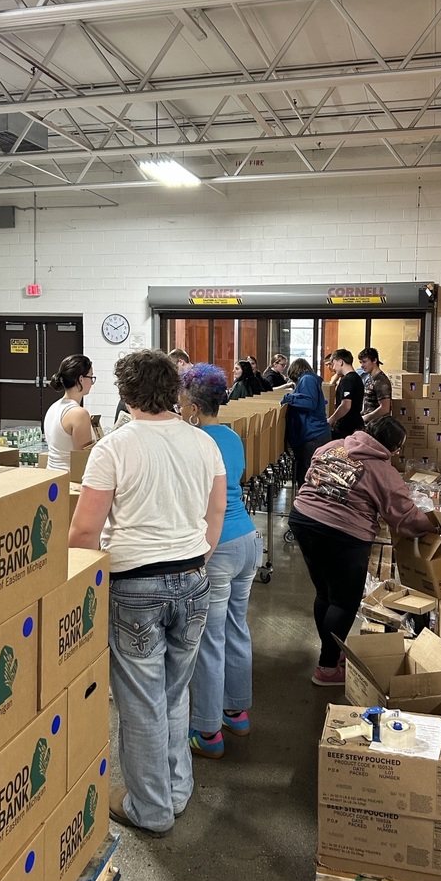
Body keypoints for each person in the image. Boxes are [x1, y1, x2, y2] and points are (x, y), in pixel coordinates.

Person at [69, 349, 226, 837]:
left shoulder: (114, 448)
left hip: (135, 586)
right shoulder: (204, 443)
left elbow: (84, 532)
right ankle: (176, 790)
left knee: (140, 703)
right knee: (175, 692)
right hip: (193, 580)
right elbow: (215, 512)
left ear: (126, 393)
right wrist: (198, 559)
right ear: (174, 391)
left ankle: (150, 808)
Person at [288, 417, 441, 686]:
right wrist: (435, 531)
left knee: (325, 593)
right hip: (342, 532)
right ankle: (327, 669)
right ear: (393, 448)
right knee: (344, 602)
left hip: (303, 518)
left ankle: (331, 652)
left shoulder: (333, 446)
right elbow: (404, 515)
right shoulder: (382, 471)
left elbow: (312, 476)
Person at [178, 363, 263, 760]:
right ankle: (237, 712)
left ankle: (208, 731)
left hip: (219, 546)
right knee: (236, 627)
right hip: (248, 540)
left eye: (181, 403)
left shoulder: (192, 441)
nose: (179, 409)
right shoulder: (231, 436)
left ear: (194, 408)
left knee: (209, 640)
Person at [281, 359, 330, 485]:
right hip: (312, 435)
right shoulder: (310, 379)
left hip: (312, 435)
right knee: (307, 476)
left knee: (308, 479)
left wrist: (289, 398)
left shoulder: (307, 379)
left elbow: (308, 402)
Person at [43, 355, 96, 471]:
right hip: (70, 477)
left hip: (52, 474)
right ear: (81, 379)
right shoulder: (79, 414)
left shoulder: (53, 407)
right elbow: (83, 459)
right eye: (91, 377)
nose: (92, 383)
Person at [327, 349, 365, 440]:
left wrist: (332, 419)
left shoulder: (347, 380)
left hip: (346, 427)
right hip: (356, 424)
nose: (333, 368)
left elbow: (346, 405)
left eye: (334, 364)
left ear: (340, 362)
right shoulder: (357, 378)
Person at [358, 347, 392, 423]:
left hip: (377, 424)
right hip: (369, 423)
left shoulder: (381, 381)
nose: (362, 365)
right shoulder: (370, 378)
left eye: (364, 362)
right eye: (361, 362)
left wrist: (366, 417)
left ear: (374, 360)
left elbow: (385, 408)